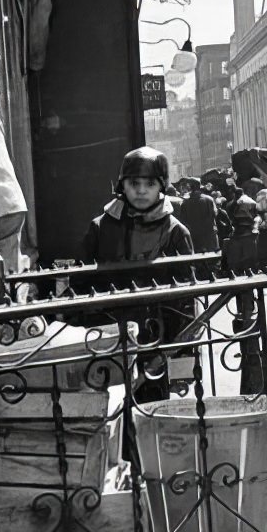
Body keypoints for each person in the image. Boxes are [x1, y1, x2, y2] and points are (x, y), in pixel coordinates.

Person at [79, 146, 194, 401]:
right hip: (105, 338)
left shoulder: (175, 232)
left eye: (150, 183)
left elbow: (186, 298)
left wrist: (177, 350)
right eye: (134, 183)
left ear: (161, 186)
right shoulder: (100, 228)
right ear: (123, 185)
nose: (141, 190)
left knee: (152, 413)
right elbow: (81, 282)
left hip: (154, 340)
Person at [177, 176, 220, 254]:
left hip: (194, 237)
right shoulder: (209, 199)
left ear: (190, 188)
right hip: (208, 236)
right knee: (212, 260)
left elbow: (183, 220)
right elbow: (214, 215)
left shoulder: (185, 203)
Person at [225, 184, 260, 271]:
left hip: (237, 232)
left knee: (238, 253)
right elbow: (257, 215)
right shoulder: (251, 201)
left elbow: (230, 217)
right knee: (250, 252)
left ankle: (239, 270)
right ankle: (251, 268)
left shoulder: (230, 204)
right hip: (249, 231)